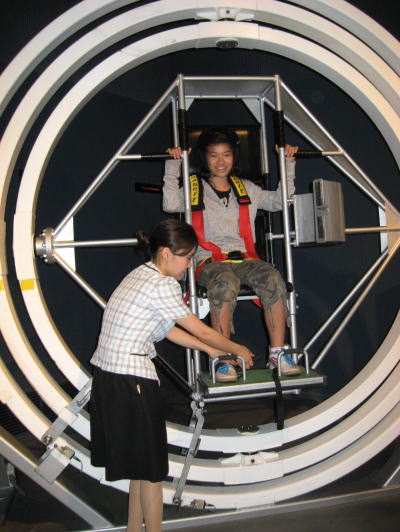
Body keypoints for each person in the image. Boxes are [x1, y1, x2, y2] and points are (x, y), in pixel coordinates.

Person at [89, 218, 254, 532]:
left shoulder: (140, 274)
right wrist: (237, 348)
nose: (190, 264)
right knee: (152, 473)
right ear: (166, 253)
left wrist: (211, 351)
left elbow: (168, 330)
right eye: (187, 257)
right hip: (132, 380)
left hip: (110, 377)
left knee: (140, 469)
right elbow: (201, 330)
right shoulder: (163, 285)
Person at [163, 127, 301, 381]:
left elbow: (280, 202)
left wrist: (287, 164)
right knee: (225, 282)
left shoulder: (246, 188)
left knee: (271, 276)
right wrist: (173, 166)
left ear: (233, 157)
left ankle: (278, 354)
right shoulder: (194, 188)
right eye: (214, 155)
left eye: (226, 155)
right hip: (209, 261)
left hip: (244, 258)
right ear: (205, 158)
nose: (220, 161)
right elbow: (170, 204)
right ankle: (223, 358)